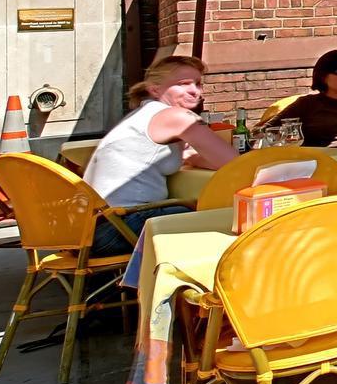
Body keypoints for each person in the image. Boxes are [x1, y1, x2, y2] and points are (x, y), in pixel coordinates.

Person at [84, 56, 234, 254]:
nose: (194, 90)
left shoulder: (143, 114)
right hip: (117, 226)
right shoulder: (177, 117)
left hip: (87, 229)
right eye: (183, 84)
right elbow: (233, 162)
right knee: (224, 217)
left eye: (198, 83)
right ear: (155, 89)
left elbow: (189, 157)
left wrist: (191, 156)